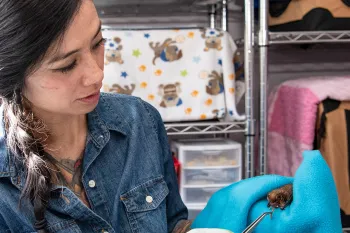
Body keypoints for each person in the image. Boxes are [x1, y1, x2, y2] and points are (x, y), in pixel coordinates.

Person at [0, 0, 193, 232]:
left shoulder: (140, 119)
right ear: (11, 76)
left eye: (97, 43)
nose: (97, 74)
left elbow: (173, 221)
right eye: (67, 65)